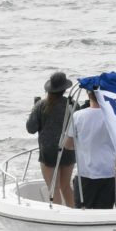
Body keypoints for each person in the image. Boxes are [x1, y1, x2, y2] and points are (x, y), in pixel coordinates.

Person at [26, 71, 76, 202]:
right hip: (68, 149)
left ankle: (59, 217)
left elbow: (30, 129)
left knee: (53, 189)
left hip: (48, 152)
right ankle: (72, 214)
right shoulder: (72, 105)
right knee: (66, 187)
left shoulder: (41, 105)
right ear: (65, 89)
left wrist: (33, 109)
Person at [69, 89, 116, 209]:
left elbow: (68, 145)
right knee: (104, 213)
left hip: (85, 173)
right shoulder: (113, 117)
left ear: (88, 94)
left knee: (82, 213)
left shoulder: (78, 116)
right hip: (108, 172)